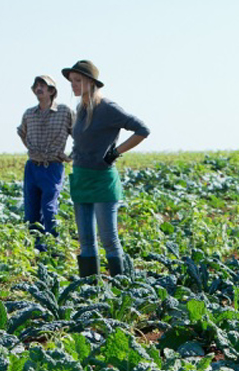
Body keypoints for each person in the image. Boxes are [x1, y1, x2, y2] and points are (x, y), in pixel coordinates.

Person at [62, 60, 149, 278]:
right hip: (81, 177)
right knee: (85, 241)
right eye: (71, 81)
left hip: (102, 180)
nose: (73, 85)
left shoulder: (108, 108)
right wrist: (71, 156)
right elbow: (83, 141)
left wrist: (115, 152)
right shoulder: (81, 108)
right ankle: (90, 290)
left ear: (90, 82)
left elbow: (142, 129)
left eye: (77, 81)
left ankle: (121, 288)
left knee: (109, 239)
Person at [17, 75, 74, 249]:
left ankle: (55, 248)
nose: (39, 88)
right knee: (31, 213)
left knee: (49, 209)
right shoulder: (29, 114)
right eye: (36, 86)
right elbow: (22, 133)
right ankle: (38, 250)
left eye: (43, 85)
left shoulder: (64, 111)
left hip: (52, 167)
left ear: (51, 91)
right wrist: (32, 149)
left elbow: (79, 133)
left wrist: (70, 156)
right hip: (32, 167)